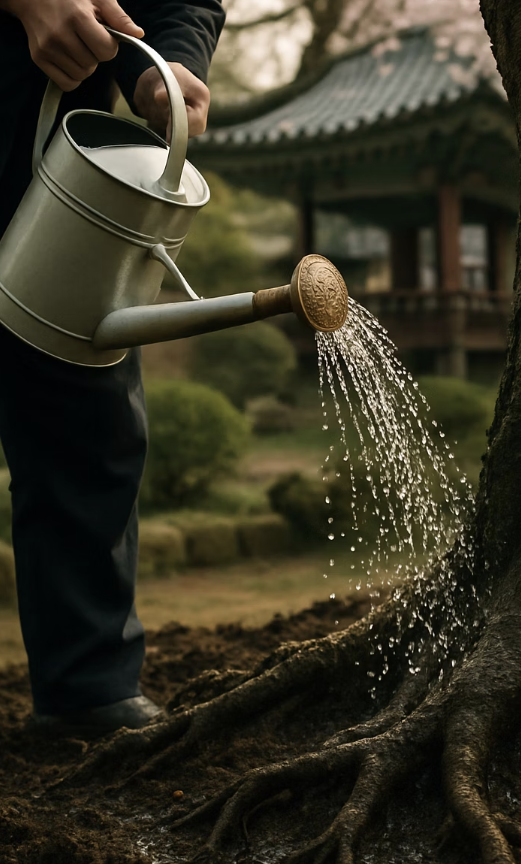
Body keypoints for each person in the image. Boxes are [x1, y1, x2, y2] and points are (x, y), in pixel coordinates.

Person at [0, 0, 225, 737]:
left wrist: (167, 67)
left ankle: (88, 690)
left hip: (54, 167)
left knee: (85, 413)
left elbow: (181, 0)